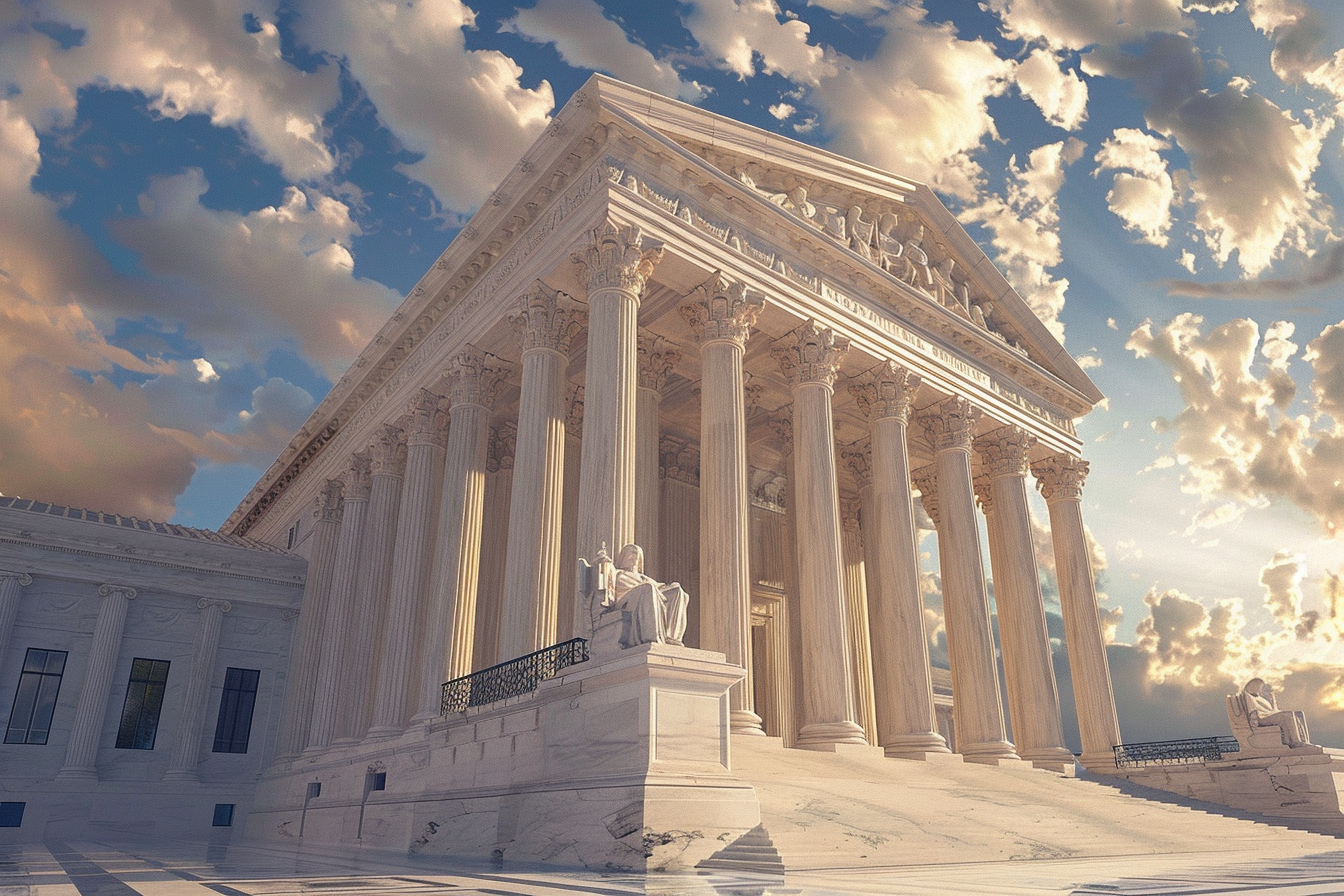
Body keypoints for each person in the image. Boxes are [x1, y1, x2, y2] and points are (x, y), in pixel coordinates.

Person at [597, 543, 688, 648]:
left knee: (677, 591)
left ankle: (671, 636)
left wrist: (673, 586)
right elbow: (604, 572)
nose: (633, 557)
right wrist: (602, 560)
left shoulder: (643, 578)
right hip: (624, 602)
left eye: (636, 554)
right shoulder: (617, 573)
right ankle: (652, 636)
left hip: (644, 596)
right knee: (647, 588)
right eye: (629, 554)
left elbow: (660, 588)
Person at [1241, 678, 1310, 747]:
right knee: (1288, 715)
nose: (1260, 689)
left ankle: (1303, 740)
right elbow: (1253, 712)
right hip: (1261, 718)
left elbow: (1273, 711)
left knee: (1298, 714)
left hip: (1268, 715)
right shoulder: (1248, 696)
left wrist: (1273, 702)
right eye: (1259, 687)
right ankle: (1295, 741)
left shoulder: (1261, 699)